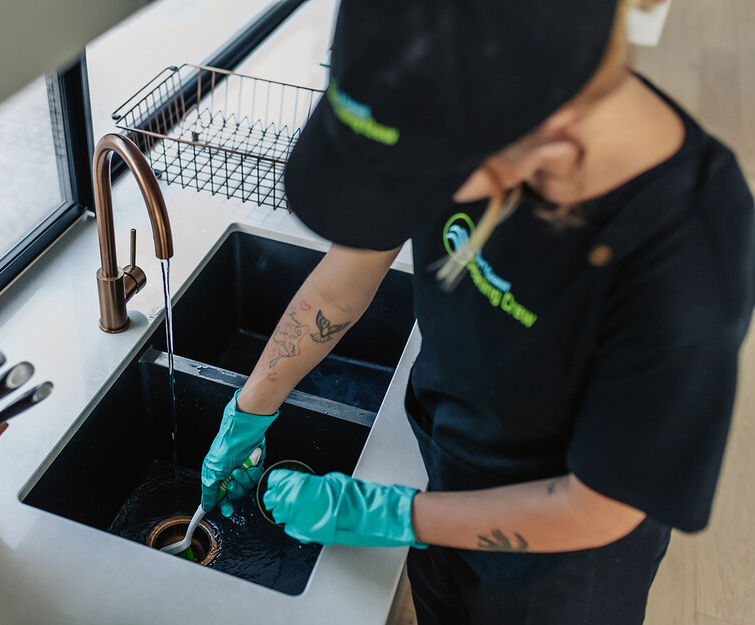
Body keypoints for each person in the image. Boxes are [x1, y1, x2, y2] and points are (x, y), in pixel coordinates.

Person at [200, 0, 755, 622]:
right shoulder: (442, 95)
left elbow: (600, 504)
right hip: (445, 477)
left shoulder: (687, 258)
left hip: (563, 567)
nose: (416, 200)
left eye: (426, 182)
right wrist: (250, 409)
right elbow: (339, 285)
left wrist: (390, 514)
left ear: (547, 137)